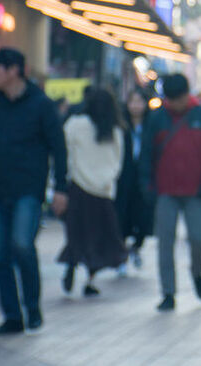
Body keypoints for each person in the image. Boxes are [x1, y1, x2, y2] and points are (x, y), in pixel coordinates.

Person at [0, 48, 68, 336]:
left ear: (13, 70)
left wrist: (61, 188)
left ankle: (32, 306)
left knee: (22, 245)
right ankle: (12, 316)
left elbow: (58, 148)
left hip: (28, 189)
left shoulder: (41, 105)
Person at [140, 73, 201, 312]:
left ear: (187, 95)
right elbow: (146, 154)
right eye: (170, 100)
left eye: (177, 99)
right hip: (165, 191)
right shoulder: (157, 118)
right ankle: (168, 293)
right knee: (165, 243)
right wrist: (146, 185)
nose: (174, 104)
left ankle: (197, 273)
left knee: (198, 240)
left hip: (196, 191)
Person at [58, 87, 127, 297]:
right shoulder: (114, 130)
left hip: (78, 187)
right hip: (103, 191)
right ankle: (90, 278)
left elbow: (66, 153)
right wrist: (108, 179)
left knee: (76, 232)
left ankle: (71, 263)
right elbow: (118, 160)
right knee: (98, 236)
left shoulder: (75, 124)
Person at [115, 87, 154, 274]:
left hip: (145, 177)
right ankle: (122, 255)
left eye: (139, 101)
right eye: (132, 101)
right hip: (124, 177)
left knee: (144, 216)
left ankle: (136, 246)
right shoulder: (121, 125)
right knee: (122, 215)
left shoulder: (151, 125)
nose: (136, 106)